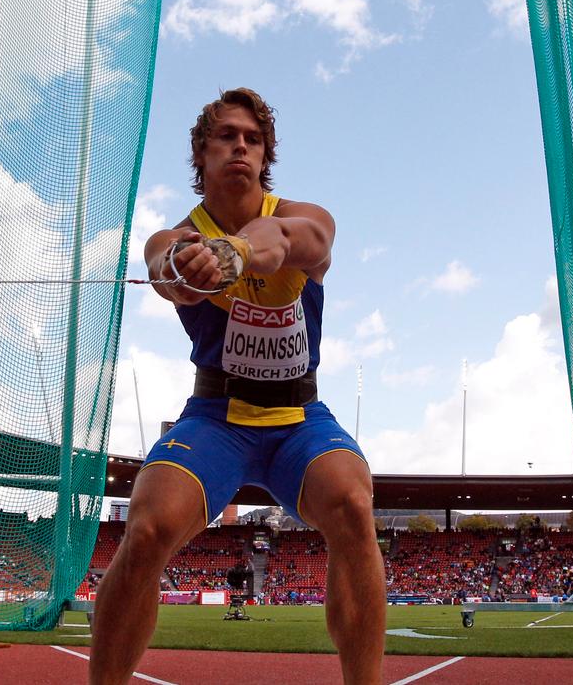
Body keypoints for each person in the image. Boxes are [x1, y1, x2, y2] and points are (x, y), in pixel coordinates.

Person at [88, 88, 386, 684]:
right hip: (215, 418)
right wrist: (183, 270)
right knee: (146, 528)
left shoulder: (302, 215)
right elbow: (164, 268)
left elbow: (297, 242)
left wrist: (240, 251)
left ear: (266, 154)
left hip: (299, 421)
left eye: (252, 138)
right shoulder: (175, 236)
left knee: (353, 504)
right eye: (226, 136)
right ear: (201, 153)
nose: (241, 147)